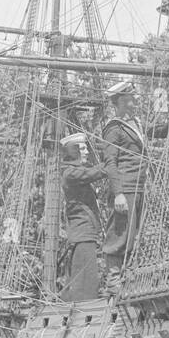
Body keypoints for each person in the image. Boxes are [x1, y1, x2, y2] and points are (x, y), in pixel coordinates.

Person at [100, 79, 148, 296]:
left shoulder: (134, 124)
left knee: (133, 234)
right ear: (120, 100)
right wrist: (118, 193)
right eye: (131, 96)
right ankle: (113, 281)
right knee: (119, 233)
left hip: (138, 186)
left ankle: (127, 275)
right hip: (125, 188)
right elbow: (110, 163)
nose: (135, 99)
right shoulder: (114, 129)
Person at [59, 132, 107, 301]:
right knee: (85, 279)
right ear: (73, 151)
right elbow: (92, 173)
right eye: (83, 148)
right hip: (83, 233)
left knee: (80, 276)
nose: (87, 152)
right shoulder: (71, 174)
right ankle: (84, 312)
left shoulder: (74, 172)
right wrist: (111, 163)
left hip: (84, 232)